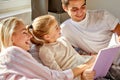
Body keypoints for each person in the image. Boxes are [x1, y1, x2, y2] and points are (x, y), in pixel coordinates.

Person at [0, 17, 95, 80]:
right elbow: (52, 76)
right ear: (11, 36)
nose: (29, 36)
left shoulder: (19, 56)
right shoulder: (11, 52)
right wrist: (86, 65)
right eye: (24, 32)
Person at [28, 15, 96, 80]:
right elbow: (59, 75)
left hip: (85, 64)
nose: (60, 28)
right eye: (56, 28)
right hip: (78, 74)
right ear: (47, 36)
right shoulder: (45, 51)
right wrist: (82, 76)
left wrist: (92, 58)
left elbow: (76, 56)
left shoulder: (63, 39)